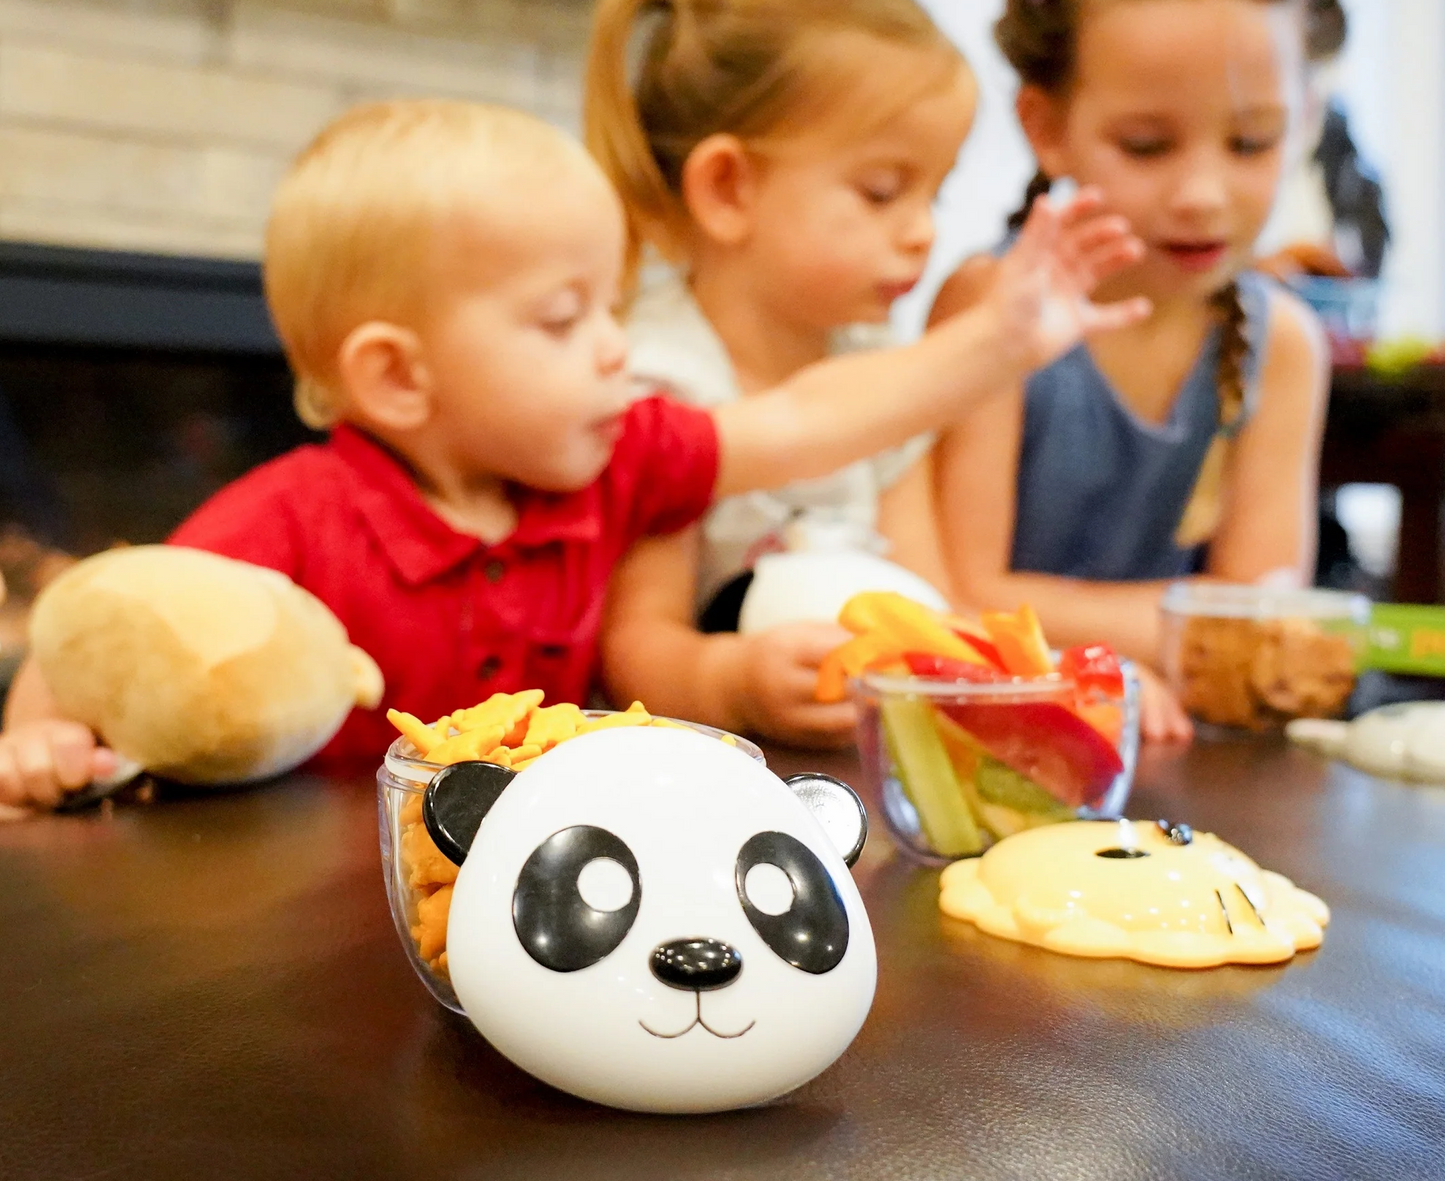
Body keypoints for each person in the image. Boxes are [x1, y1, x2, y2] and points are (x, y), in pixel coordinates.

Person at [0, 97, 1144, 813]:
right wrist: (37, 737)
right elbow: (111, 621)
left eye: (612, 306)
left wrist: (998, 337)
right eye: (562, 320)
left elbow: (806, 417)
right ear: (399, 374)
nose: (615, 349)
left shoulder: (616, 463)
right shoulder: (289, 521)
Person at [588, 0, 1131, 748]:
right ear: (727, 189)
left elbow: (928, 598)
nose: (923, 232)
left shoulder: (882, 367)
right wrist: (731, 682)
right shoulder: (657, 382)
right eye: (881, 191)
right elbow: (633, 646)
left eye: (933, 192)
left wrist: (1052, 681)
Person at [928, 0, 1341, 743]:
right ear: (1045, 126)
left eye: (1250, 141)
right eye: (1147, 144)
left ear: (1304, 119)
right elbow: (963, 593)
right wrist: (1185, 629)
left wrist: (1214, 631)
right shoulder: (992, 307)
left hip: (1174, 754)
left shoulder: (1285, 344)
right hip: (994, 736)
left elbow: (1256, 628)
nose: (1200, 195)